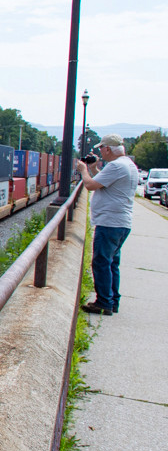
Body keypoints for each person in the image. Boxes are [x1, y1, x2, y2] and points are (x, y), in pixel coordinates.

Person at [75, 134, 139, 315]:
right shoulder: (127, 165)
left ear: (108, 149)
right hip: (120, 223)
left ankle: (103, 302)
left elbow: (91, 185)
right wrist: (94, 168)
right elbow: (104, 182)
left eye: (101, 148)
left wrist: (83, 170)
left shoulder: (116, 166)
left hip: (110, 223)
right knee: (111, 263)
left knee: (101, 262)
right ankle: (112, 301)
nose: (100, 152)